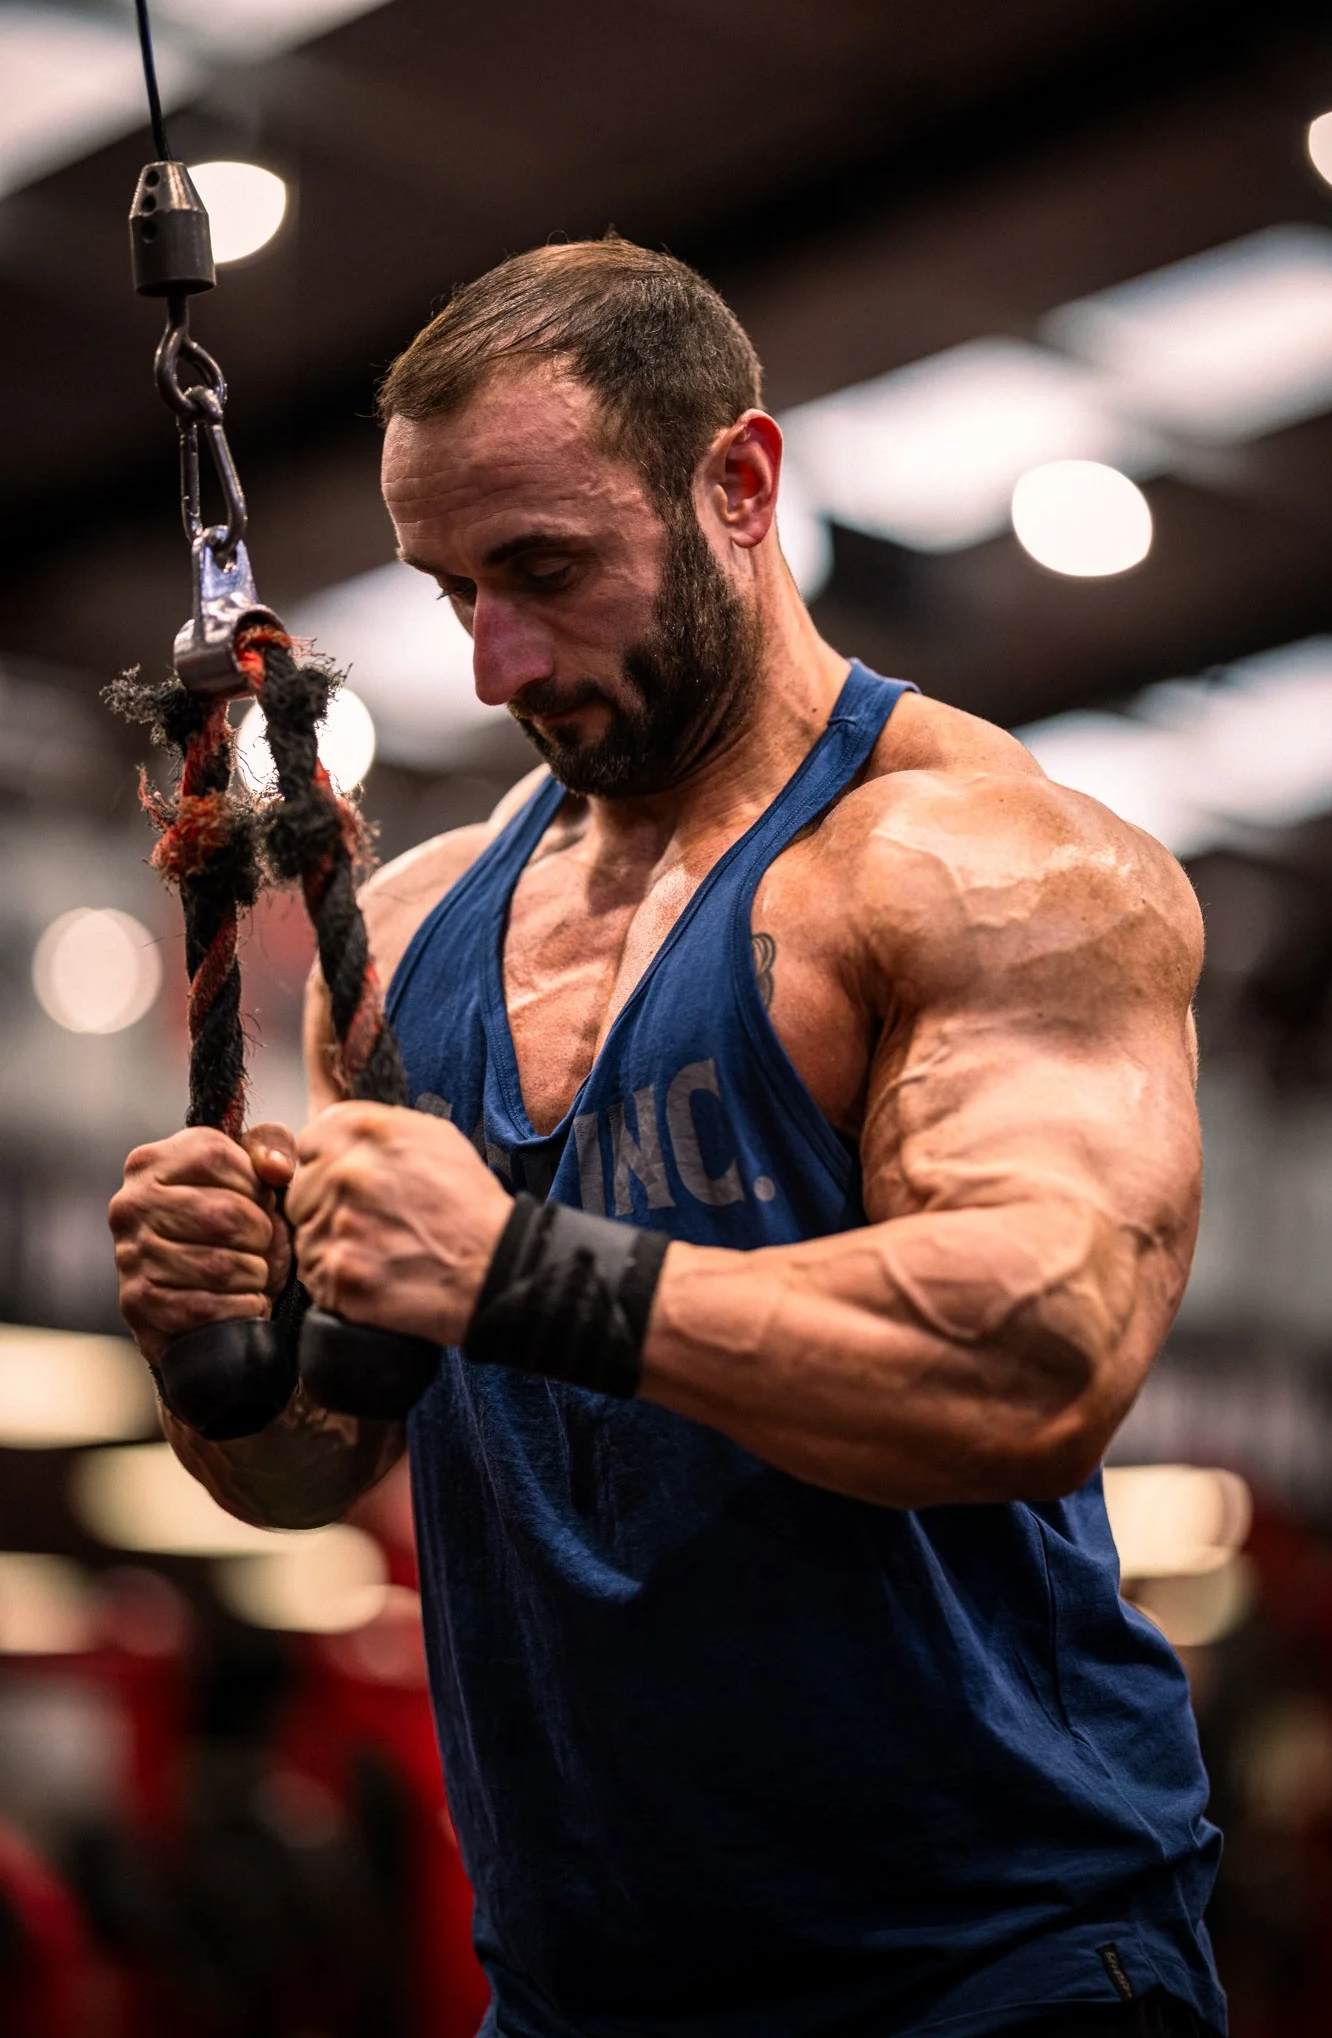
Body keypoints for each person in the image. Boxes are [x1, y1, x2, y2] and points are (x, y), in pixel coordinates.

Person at [110, 240, 1224, 2038]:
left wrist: (514, 1269)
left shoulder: (986, 866)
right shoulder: (406, 937)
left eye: (545, 570)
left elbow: (1038, 1356)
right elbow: (316, 1470)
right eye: (453, 587)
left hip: (990, 1969)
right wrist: (225, 1352)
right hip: (571, 1992)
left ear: (739, 483)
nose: (495, 664)